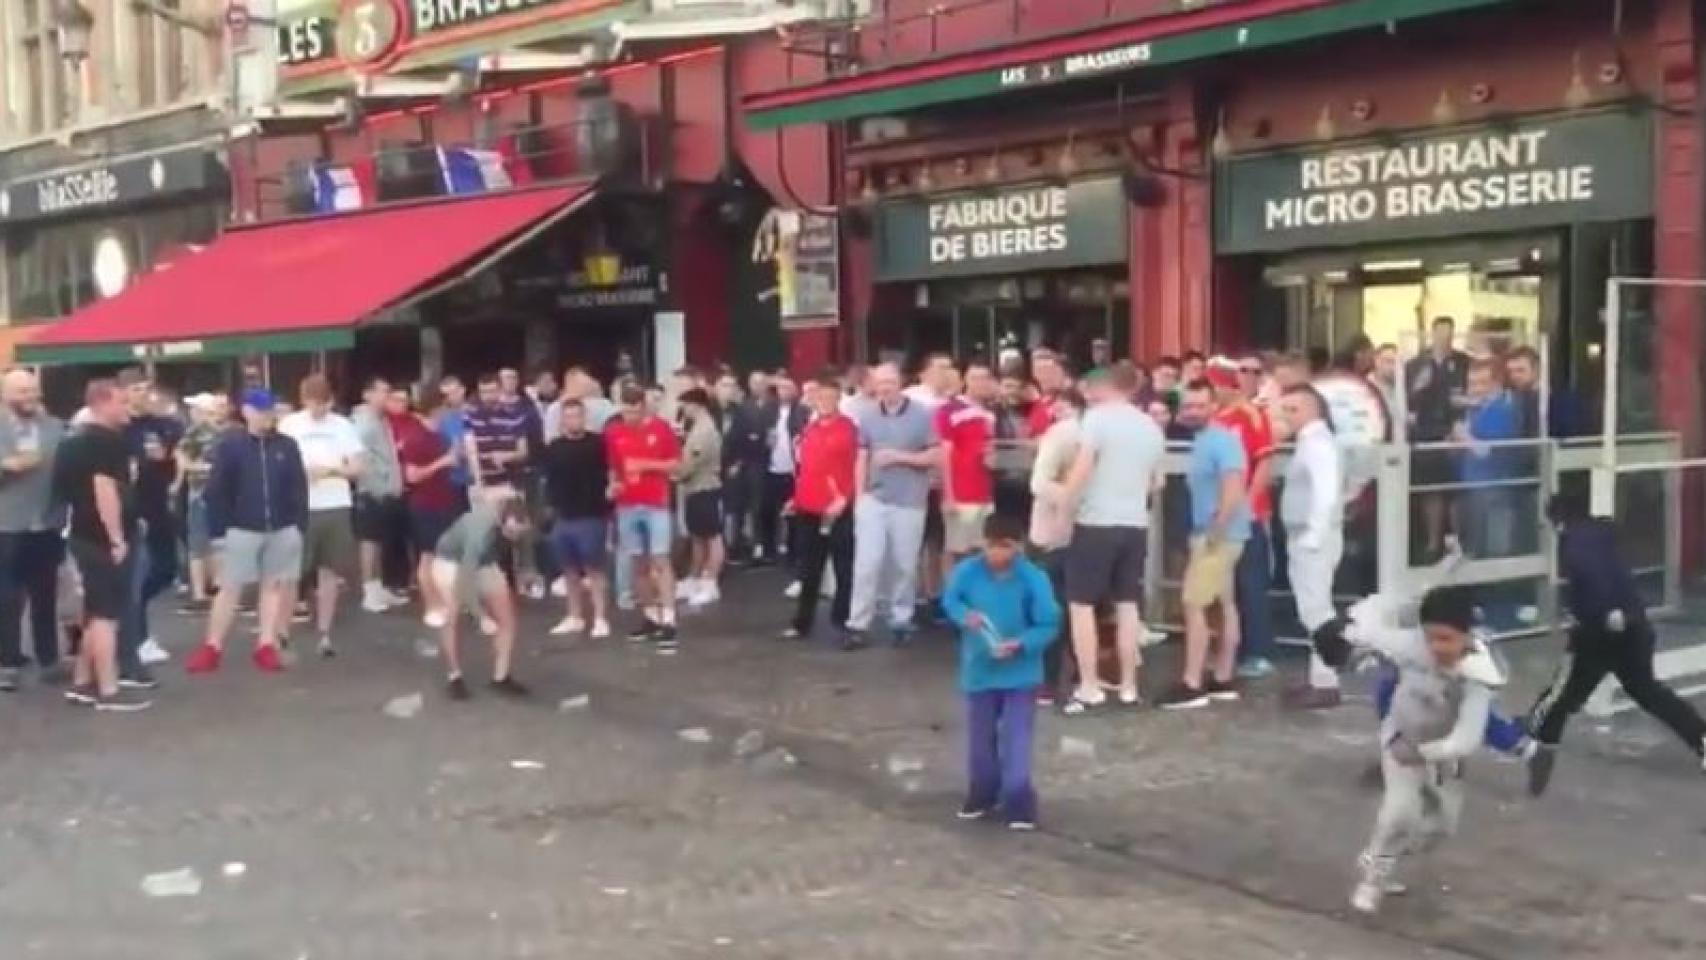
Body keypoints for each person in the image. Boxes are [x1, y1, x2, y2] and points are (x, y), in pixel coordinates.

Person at [1312, 585, 1504, 915]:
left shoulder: (1479, 676)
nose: (1436, 647)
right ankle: (1373, 880)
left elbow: (1468, 737)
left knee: (1441, 827)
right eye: (1430, 637)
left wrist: (1429, 754)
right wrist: (1343, 631)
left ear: (1468, 636)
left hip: (1443, 755)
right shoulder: (1411, 646)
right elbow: (1371, 625)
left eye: (1446, 639)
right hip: (1401, 739)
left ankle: (1378, 855)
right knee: (1400, 812)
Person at [1526, 492, 1706, 796]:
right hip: (1635, 627)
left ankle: (1534, 744)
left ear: (1557, 520)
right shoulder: (1605, 535)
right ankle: (1700, 736)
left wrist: (1604, 611)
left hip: (1600, 631)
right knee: (1648, 691)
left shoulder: (1575, 541)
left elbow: (1592, 575)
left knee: (1563, 695)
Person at [1059, 364, 1165, 714]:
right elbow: (1156, 482)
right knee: (1127, 605)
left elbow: (1082, 468)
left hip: (1096, 521)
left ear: (1103, 387)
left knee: (1081, 605)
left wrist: (1063, 507)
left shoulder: (1097, 419)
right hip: (1135, 522)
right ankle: (1129, 686)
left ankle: (1089, 684)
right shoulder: (1149, 424)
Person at [943, 513, 1060, 831]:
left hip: (1020, 674)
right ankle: (982, 793)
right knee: (980, 741)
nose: (998, 554)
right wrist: (965, 616)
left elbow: (1049, 623)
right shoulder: (967, 572)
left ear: (1018, 547)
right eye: (992, 546)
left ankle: (1019, 800)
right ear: (983, 543)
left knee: (1017, 739)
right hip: (980, 671)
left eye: (1005, 547)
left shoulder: (1033, 578)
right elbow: (950, 600)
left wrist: (1021, 644)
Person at [184, 390, 308, 676]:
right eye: (262, 411)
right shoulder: (232, 446)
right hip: (241, 528)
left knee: (273, 586)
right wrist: (221, 530)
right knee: (230, 588)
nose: (268, 417)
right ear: (247, 412)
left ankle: (266, 643)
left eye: (271, 411)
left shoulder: (286, 446)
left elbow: (298, 487)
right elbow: (217, 489)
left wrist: (297, 523)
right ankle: (212, 646)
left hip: (281, 526)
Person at [53, 380, 150, 711]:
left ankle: (83, 681)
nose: (128, 408)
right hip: (100, 536)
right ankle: (108, 689)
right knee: (107, 613)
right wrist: (117, 537)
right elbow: (104, 489)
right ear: (101, 403)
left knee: (95, 610)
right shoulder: (106, 444)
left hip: (80, 533)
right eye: (122, 401)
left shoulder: (70, 442)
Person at [1163, 379, 1251, 710]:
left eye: (1199, 405)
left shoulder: (1222, 442)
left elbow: (1233, 486)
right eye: (1187, 406)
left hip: (1217, 534)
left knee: (1194, 603)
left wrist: (1216, 528)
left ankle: (1192, 682)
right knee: (1225, 604)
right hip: (1222, 532)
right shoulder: (1209, 441)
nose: (1192, 411)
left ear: (1213, 406)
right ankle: (1223, 677)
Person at [846, 362, 940, 650]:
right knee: (866, 563)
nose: (885, 388)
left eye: (890, 381)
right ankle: (858, 624)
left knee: (903, 564)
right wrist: (859, 495)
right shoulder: (867, 415)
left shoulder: (922, 415)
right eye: (880, 382)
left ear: (901, 382)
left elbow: (935, 455)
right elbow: (861, 455)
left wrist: (900, 457)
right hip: (874, 499)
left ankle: (901, 618)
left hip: (909, 500)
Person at [277, 375, 364, 658]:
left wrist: (329, 472)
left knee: (330, 570)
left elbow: (358, 468)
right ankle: (281, 631)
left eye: (324, 404)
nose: (319, 411)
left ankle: (324, 632)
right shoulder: (290, 425)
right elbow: (278, 466)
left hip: (336, 504)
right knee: (291, 572)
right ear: (304, 401)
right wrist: (300, 475)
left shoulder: (343, 426)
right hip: (301, 507)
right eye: (314, 405)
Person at [1274, 384, 1347, 710]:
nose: (1287, 416)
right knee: (1312, 608)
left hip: (1313, 537)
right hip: (1307, 535)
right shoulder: (1312, 442)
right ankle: (1320, 677)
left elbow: (1326, 492)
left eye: (1293, 409)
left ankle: (1327, 679)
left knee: (1317, 610)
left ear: (1311, 410)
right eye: (1285, 409)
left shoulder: (1317, 444)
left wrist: (1315, 534)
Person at [1208, 359, 1279, 681]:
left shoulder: (1251, 415)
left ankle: (1259, 651)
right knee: (1225, 587)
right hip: (1217, 515)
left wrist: (1248, 505)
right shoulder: (1212, 420)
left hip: (1245, 515)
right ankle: (1229, 650)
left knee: (1251, 584)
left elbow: (1264, 462)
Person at [0, 368, 67, 691]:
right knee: (7, 597)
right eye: (20, 391)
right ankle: (8, 662)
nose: (28, 397)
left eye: (32, 390)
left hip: (47, 523)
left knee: (45, 595)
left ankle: (49, 658)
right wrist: (5, 466)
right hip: (7, 525)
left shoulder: (54, 428)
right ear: (4, 395)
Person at [429, 498, 532, 700]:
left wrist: (529, 571)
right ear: (501, 522)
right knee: (452, 615)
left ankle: (500, 677)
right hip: (453, 561)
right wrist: (480, 616)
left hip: (486, 562)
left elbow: (525, 548)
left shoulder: (521, 525)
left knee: (507, 617)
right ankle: (454, 676)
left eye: (518, 533)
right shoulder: (480, 531)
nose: (514, 537)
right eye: (511, 532)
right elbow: (463, 581)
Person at [605, 383, 682, 649]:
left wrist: (646, 465)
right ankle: (649, 616)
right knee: (637, 562)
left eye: (635, 413)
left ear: (644, 407)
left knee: (660, 559)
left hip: (655, 503)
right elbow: (614, 468)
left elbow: (676, 465)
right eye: (626, 413)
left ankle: (669, 619)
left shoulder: (661, 429)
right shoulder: (614, 432)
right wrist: (613, 484)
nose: (631, 418)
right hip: (627, 503)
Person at [783, 372, 858, 640]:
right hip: (809, 508)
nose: (824, 402)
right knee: (809, 567)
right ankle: (802, 622)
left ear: (838, 399)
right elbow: (807, 469)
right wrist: (796, 497)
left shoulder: (848, 428)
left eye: (830, 397)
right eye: (820, 398)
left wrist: (845, 498)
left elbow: (854, 469)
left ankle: (843, 620)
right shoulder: (810, 429)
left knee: (843, 567)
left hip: (838, 508)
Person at [118, 368, 181, 673]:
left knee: (167, 569)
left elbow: (174, 453)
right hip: (133, 509)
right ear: (123, 393)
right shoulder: (120, 428)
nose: (142, 394)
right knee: (138, 573)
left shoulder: (159, 425)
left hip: (159, 506)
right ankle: (138, 637)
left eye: (145, 388)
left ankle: (130, 619)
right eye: (135, 389)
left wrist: (165, 459)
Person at [1027, 390, 1084, 705]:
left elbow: (1038, 483)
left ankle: (1049, 681)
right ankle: (1080, 674)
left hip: (1055, 533)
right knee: (1080, 606)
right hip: (1088, 529)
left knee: (1052, 607)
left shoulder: (1061, 434)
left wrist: (1069, 497)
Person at [390, 390, 460, 629]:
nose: (446, 413)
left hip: (443, 501)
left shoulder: (438, 435)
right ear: (435, 409)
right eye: (444, 408)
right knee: (427, 558)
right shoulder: (416, 437)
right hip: (425, 505)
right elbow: (412, 476)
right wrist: (444, 462)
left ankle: (443, 603)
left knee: (442, 556)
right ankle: (431, 606)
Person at [542, 399, 611, 638]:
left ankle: (600, 618)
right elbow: (548, 482)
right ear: (562, 419)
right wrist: (550, 510)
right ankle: (574, 616)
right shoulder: (554, 448)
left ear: (585, 418)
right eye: (569, 416)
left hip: (591, 515)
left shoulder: (598, 444)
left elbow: (610, 473)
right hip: (564, 516)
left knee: (594, 569)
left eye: (577, 416)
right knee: (569, 570)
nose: (574, 420)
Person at [1407, 317, 1471, 561]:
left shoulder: (1463, 362)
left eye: (1449, 334)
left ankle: (1457, 540)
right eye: (1439, 333)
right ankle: (1433, 542)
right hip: (1426, 433)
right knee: (1431, 488)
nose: (1444, 339)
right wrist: (1418, 387)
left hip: (1456, 431)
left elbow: (1468, 392)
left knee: (1455, 487)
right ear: (1431, 334)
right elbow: (1408, 401)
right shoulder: (1415, 365)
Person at [353, 377, 410, 613]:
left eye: (388, 391)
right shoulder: (363, 422)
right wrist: (373, 485)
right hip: (371, 491)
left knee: (379, 540)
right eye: (382, 392)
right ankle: (369, 590)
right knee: (369, 541)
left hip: (387, 491)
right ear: (368, 394)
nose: (386, 396)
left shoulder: (381, 419)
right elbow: (357, 455)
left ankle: (378, 587)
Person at [938, 362, 999, 577]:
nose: (980, 383)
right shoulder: (949, 410)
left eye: (985, 378)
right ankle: (952, 601)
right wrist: (948, 495)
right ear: (965, 381)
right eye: (975, 378)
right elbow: (943, 454)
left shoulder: (990, 414)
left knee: (982, 551)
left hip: (984, 493)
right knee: (957, 551)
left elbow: (990, 449)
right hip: (961, 493)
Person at [175, 394, 226, 613]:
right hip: (219, 494)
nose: (192, 413)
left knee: (197, 544)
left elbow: (182, 459)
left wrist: (198, 468)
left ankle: (199, 593)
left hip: (199, 492)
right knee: (217, 541)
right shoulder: (224, 434)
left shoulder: (194, 433)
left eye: (195, 409)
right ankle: (218, 587)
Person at [675, 388, 724, 607]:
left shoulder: (704, 431)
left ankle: (710, 581)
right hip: (694, 490)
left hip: (705, 488)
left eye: (685, 405)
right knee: (697, 536)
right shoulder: (696, 428)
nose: (683, 410)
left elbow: (690, 464)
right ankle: (694, 578)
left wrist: (675, 473)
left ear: (696, 405)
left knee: (712, 536)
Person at [758, 375, 807, 574]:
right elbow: (760, 435)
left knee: (794, 515)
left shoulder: (802, 412)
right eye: (780, 388)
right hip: (771, 467)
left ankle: (794, 553)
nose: (784, 392)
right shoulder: (769, 411)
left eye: (788, 388)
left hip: (792, 470)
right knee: (767, 511)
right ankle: (769, 550)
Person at [436, 375, 473, 508]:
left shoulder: (476, 413)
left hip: (477, 480)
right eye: (447, 394)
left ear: (463, 390)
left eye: (454, 392)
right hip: (454, 482)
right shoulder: (442, 419)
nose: (451, 397)